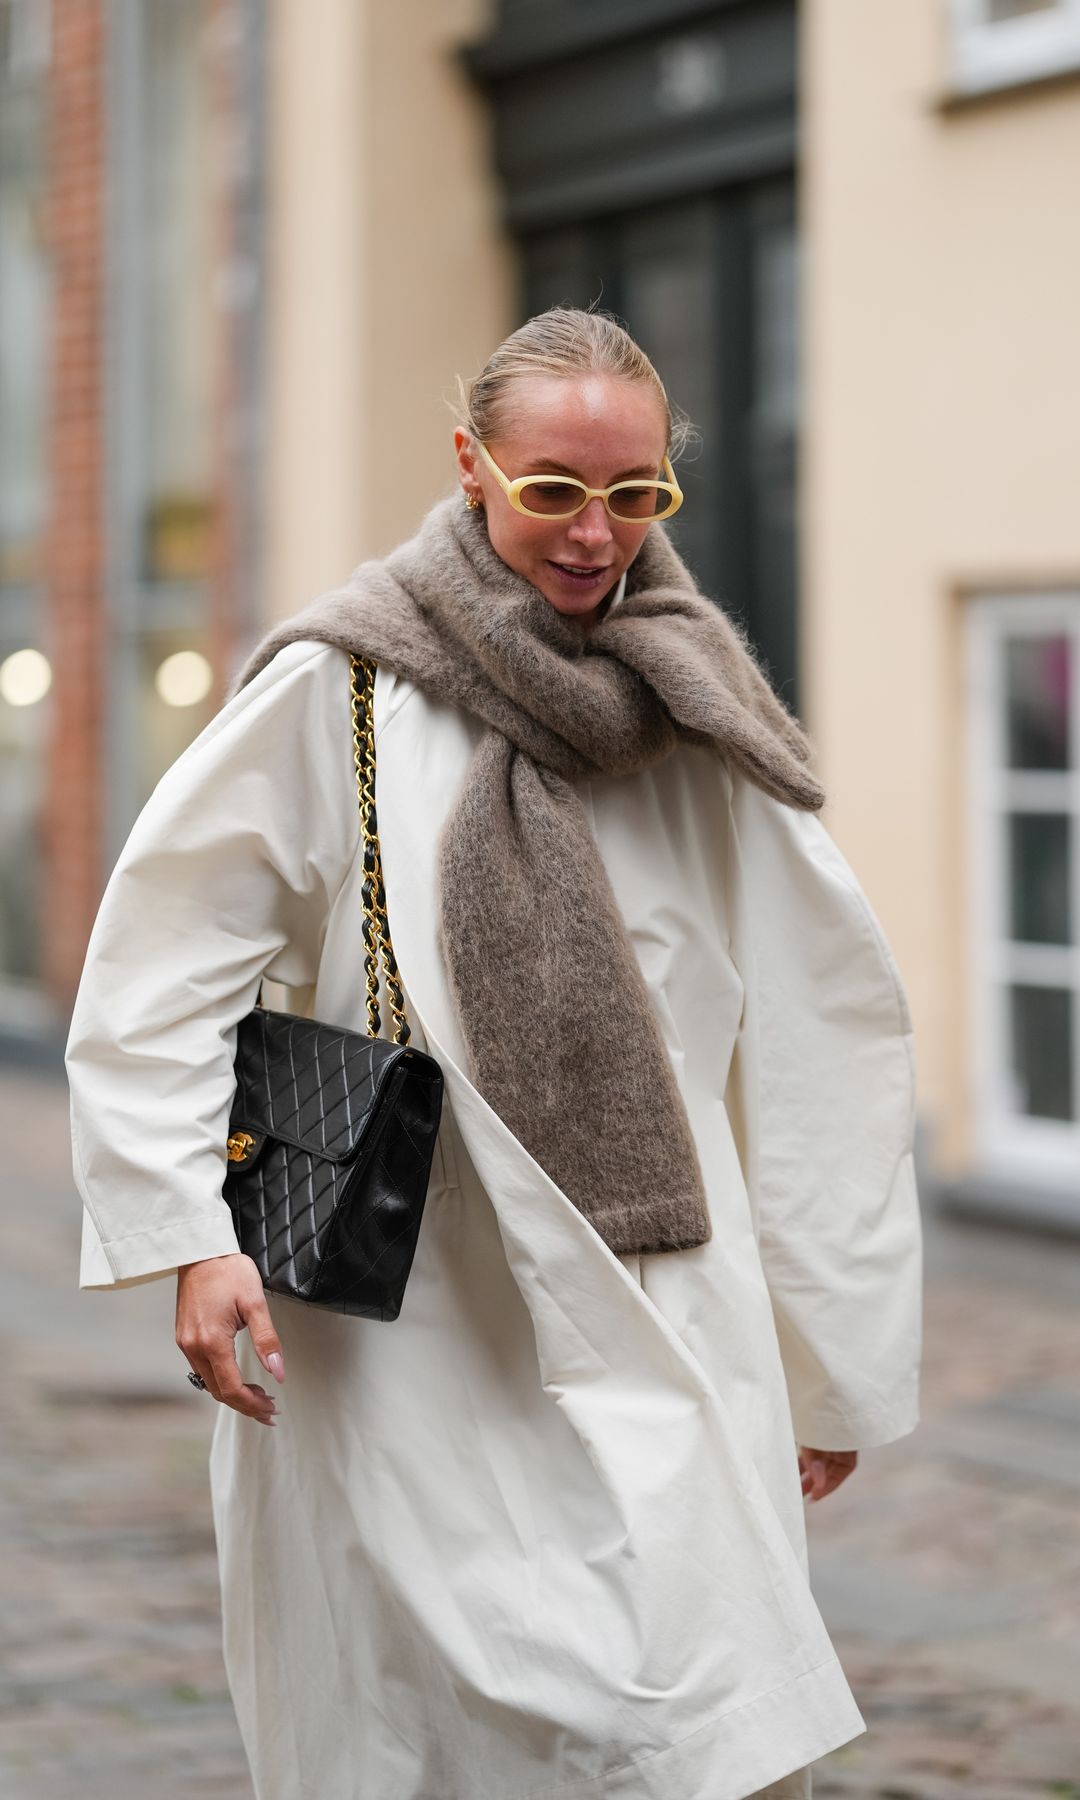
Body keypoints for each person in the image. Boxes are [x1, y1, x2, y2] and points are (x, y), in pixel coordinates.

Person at [65, 307, 923, 1800]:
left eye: (635, 496)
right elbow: (157, 965)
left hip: (664, 1303)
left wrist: (827, 1358)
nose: (596, 535)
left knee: (683, 1710)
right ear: (473, 467)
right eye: (552, 491)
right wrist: (192, 1243)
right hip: (404, 1314)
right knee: (429, 1723)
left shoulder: (699, 714)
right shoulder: (343, 688)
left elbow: (820, 1039)